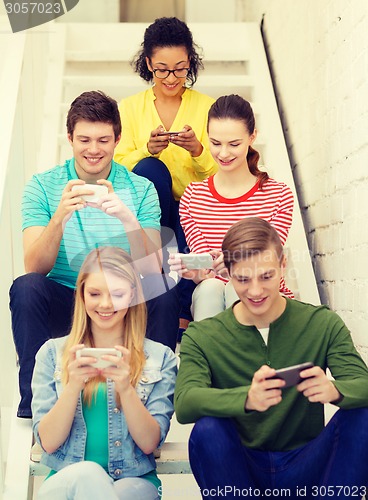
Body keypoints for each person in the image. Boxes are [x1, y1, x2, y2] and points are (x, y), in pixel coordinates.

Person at [9, 90, 180, 418]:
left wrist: (126, 218)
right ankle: (36, 412)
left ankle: (151, 409)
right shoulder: (42, 186)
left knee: (165, 292)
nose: (93, 149)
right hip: (69, 301)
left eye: (103, 140)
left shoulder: (140, 188)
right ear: (70, 138)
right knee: (26, 287)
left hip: (121, 299)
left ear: (117, 139)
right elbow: (34, 266)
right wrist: (60, 216)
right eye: (84, 139)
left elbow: (152, 269)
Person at [174, 217, 368, 498]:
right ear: (227, 273)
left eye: (266, 276)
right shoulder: (203, 335)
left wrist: (334, 390)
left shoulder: (321, 323)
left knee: (363, 416)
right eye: (242, 279)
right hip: (241, 470)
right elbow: (185, 404)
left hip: (307, 465)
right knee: (208, 429)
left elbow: (362, 384)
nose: (255, 291)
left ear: (283, 265)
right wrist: (247, 398)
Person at [32, 246, 177, 500]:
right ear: (82, 296)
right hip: (65, 479)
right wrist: (74, 385)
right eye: (95, 293)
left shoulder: (160, 357)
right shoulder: (52, 354)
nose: (106, 304)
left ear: (132, 295)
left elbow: (150, 444)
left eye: (117, 294)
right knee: (87, 474)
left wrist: (125, 388)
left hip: (134, 481)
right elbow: (48, 442)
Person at [114, 17, 218, 330]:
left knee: (190, 208)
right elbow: (117, 166)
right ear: (148, 64)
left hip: (193, 206)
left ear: (191, 63)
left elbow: (221, 170)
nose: (171, 77)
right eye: (162, 69)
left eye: (180, 68)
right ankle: (154, 284)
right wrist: (148, 149)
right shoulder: (129, 109)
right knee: (151, 169)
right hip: (150, 209)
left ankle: (183, 313)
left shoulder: (208, 107)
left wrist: (198, 149)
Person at [169, 94, 294, 321]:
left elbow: (268, 261)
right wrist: (196, 272)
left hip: (264, 296)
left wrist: (235, 267)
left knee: (234, 287)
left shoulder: (278, 195)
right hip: (212, 297)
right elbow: (206, 274)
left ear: (252, 137)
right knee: (209, 288)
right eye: (216, 143)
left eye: (234, 144)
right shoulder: (193, 197)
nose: (223, 153)